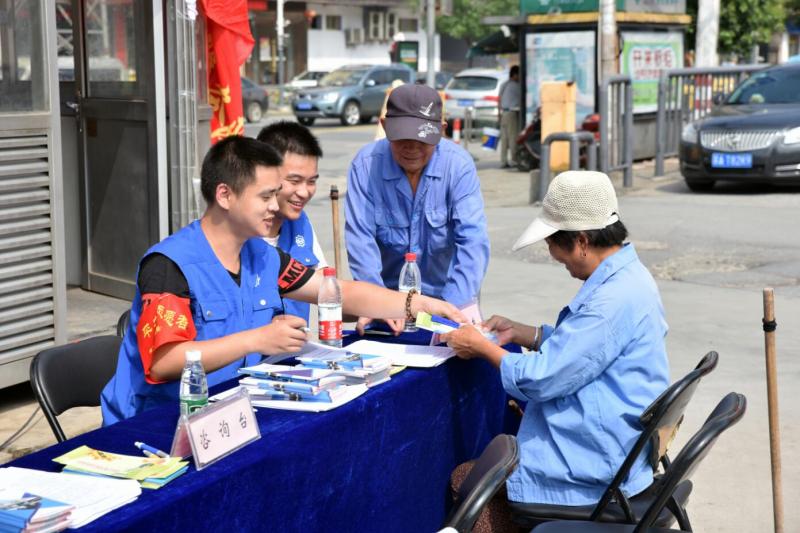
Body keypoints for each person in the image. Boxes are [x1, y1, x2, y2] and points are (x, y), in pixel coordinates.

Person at [100, 135, 464, 425]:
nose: (276, 206)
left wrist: (416, 303)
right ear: (225, 195)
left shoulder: (261, 255)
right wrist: (257, 339)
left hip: (232, 412)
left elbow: (334, 292)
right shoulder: (169, 265)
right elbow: (164, 362)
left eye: (275, 194)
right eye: (266, 196)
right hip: (158, 426)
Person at [442, 171, 670, 525]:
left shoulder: (610, 301)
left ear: (581, 241)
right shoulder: (629, 277)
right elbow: (586, 351)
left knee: (465, 480)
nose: (555, 257)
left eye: (554, 245)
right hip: (618, 445)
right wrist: (527, 334)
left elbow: (543, 378)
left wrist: (482, 347)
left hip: (598, 466)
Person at [345, 83, 490, 334]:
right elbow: (360, 240)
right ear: (384, 126)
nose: (411, 148)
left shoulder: (458, 166)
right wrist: (376, 303)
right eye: (402, 138)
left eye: (422, 139)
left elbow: (473, 242)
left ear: (441, 131)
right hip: (387, 303)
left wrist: (448, 311)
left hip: (448, 299)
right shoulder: (365, 166)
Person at [256, 121, 326, 322]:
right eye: (294, 181)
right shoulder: (238, 234)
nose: (304, 192)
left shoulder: (300, 222)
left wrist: (371, 310)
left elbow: (326, 289)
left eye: (311, 181)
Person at [498, 65, 520, 169]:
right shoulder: (517, 86)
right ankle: (514, 160)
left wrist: (499, 114)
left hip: (504, 113)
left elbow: (499, 99)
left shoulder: (504, 84)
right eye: (518, 75)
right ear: (515, 74)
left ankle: (503, 161)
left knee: (504, 139)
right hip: (512, 114)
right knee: (512, 137)